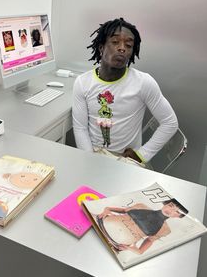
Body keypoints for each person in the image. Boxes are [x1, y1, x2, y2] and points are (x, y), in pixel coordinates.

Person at [72, 18, 178, 165]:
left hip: (126, 159)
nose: (122, 48)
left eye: (128, 45)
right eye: (115, 42)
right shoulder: (83, 82)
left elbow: (170, 122)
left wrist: (142, 155)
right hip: (93, 153)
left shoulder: (143, 82)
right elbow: (80, 127)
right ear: (101, 48)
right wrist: (89, 158)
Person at [96, 198, 188, 254]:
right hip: (101, 222)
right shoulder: (142, 206)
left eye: (176, 211)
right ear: (165, 204)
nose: (170, 210)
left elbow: (150, 240)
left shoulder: (165, 230)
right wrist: (107, 209)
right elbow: (124, 210)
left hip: (114, 244)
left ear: (179, 216)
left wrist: (139, 251)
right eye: (170, 205)